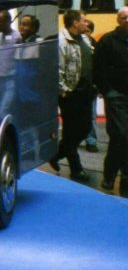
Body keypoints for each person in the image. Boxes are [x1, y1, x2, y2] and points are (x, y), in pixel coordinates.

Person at [48, 10, 95, 183]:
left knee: (83, 129)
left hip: (84, 93)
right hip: (70, 94)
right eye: (84, 20)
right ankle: (76, 169)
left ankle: (56, 154)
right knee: (71, 131)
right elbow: (57, 69)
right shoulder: (61, 41)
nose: (87, 23)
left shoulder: (83, 39)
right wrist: (65, 91)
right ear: (75, 23)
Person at [94, 6, 128, 196]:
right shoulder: (108, 40)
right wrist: (108, 91)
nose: (127, 21)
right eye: (123, 17)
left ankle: (112, 175)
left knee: (119, 139)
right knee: (122, 135)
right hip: (117, 97)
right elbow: (99, 67)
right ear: (118, 20)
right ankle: (119, 177)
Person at [0, 10, 19, 117]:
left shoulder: (17, 36)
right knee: (6, 109)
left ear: (8, 22)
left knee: (3, 111)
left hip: (12, 78)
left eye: (0, 22)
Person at [83, 19, 100, 152]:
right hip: (77, 85)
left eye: (87, 31)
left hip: (91, 85)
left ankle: (91, 140)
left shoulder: (97, 46)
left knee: (91, 115)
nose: (85, 34)